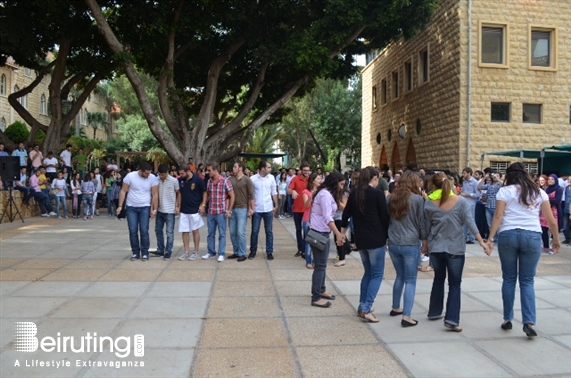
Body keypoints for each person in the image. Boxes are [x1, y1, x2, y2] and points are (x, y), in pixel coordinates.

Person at [486, 162, 560, 337]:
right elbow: (551, 220)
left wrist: (490, 238)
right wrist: (555, 240)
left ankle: (507, 319)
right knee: (527, 281)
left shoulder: (504, 191)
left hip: (508, 235)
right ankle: (528, 321)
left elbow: (498, 215)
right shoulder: (539, 192)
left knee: (509, 279)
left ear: (509, 175)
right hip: (532, 236)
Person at [424, 173, 490, 332]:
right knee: (454, 283)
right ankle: (452, 319)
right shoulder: (461, 202)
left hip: (436, 247)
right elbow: (470, 222)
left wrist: (425, 244)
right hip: (455, 248)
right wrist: (481, 241)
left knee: (438, 279)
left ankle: (434, 312)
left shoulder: (429, 203)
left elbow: (426, 227)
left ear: (433, 185)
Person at [340, 167, 389, 322]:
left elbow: (345, 215)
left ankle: (363, 305)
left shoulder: (355, 192)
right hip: (376, 239)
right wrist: (387, 237)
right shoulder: (376, 194)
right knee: (376, 274)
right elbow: (385, 218)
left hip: (361, 239)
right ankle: (366, 307)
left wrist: (341, 234)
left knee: (368, 272)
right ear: (374, 178)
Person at [387, 171, 426, 327]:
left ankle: (395, 307)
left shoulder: (390, 198)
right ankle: (407, 315)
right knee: (411, 280)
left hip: (394, 242)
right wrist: (425, 240)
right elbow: (421, 222)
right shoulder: (417, 199)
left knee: (400, 276)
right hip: (410, 242)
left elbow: (385, 219)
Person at [308, 171, 346, 308]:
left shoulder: (327, 193)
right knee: (320, 266)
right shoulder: (324, 195)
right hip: (318, 232)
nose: (342, 187)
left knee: (322, 264)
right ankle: (316, 297)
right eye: (341, 184)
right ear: (334, 182)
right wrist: (338, 234)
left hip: (323, 232)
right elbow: (327, 217)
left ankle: (321, 290)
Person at [117, 162, 159, 261]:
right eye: (146, 173)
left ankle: (145, 252)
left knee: (144, 231)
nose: (148, 175)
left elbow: (155, 194)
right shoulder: (130, 176)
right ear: (140, 171)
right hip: (131, 207)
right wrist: (120, 206)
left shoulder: (153, 178)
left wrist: (154, 209)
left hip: (145, 207)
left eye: (149, 173)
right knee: (132, 231)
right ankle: (135, 252)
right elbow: (123, 191)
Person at [203, 162, 234, 262]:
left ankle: (221, 253)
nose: (208, 172)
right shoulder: (209, 182)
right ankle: (211, 252)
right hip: (211, 211)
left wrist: (229, 209)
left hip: (221, 211)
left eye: (209, 170)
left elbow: (232, 195)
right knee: (210, 233)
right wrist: (202, 205)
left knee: (222, 233)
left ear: (215, 170)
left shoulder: (225, 181)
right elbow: (208, 195)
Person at [248, 161, 278, 260]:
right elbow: (250, 195)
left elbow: (274, 192)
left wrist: (276, 205)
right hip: (257, 209)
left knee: (269, 231)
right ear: (262, 168)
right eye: (268, 167)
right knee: (255, 231)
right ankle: (253, 251)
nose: (270, 169)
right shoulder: (252, 179)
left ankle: (269, 252)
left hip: (268, 208)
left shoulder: (271, 178)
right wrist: (250, 208)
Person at [177, 164, 207, 261]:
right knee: (184, 231)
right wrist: (178, 206)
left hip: (195, 209)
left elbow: (205, 192)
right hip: (184, 210)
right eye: (180, 173)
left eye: (182, 173)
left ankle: (196, 252)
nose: (180, 175)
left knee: (195, 231)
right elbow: (179, 194)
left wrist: (203, 205)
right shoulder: (180, 180)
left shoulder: (198, 180)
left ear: (188, 171)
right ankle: (186, 251)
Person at [152, 164, 180, 261]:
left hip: (170, 210)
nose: (161, 176)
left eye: (163, 174)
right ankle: (160, 249)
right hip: (160, 209)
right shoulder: (156, 180)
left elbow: (178, 193)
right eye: (160, 174)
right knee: (158, 230)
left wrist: (177, 206)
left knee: (169, 232)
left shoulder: (174, 180)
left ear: (167, 173)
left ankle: (168, 251)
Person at [227, 161, 254, 262]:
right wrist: (228, 209)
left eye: (235, 166)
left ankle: (242, 253)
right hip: (232, 209)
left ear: (240, 168)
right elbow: (227, 195)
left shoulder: (247, 180)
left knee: (240, 232)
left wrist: (251, 209)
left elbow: (251, 195)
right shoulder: (230, 179)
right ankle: (236, 251)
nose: (233, 168)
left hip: (242, 208)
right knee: (232, 232)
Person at [288, 163, 310, 257]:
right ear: (300, 170)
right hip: (297, 209)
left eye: (308, 170)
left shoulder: (311, 179)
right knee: (298, 229)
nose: (306, 172)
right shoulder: (295, 179)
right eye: (304, 170)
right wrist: (293, 191)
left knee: (307, 230)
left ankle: (306, 249)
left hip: (307, 209)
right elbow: (288, 190)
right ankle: (300, 249)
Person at [302, 173, 322, 269]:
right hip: (308, 219)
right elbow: (306, 205)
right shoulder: (306, 191)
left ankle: (315, 261)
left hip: (318, 220)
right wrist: (311, 196)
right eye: (318, 178)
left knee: (317, 241)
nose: (320, 180)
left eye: (320, 178)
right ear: (313, 180)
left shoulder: (321, 191)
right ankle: (308, 261)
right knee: (309, 241)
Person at [540, 174, 563, 254]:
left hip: (554, 211)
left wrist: (546, 201)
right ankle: (545, 246)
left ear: (556, 180)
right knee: (543, 229)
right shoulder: (547, 189)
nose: (550, 181)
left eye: (552, 179)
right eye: (549, 179)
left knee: (553, 230)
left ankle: (554, 248)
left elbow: (557, 201)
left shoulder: (559, 189)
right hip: (546, 211)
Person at [460, 167, 480, 244]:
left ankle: (472, 238)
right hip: (463, 203)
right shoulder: (464, 182)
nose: (463, 175)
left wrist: (468, 195)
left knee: (471, 220)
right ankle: (464, 237)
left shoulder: (475, 182)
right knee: (463, 221)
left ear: (469, 173)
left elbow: (478, 194)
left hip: (471, 203)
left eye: (464, 173)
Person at [563, 176, 571, 244]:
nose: (569, 180)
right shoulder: (567, 188)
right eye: (568, 179)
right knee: (565, 225)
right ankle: (567, 239)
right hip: (566, 209)